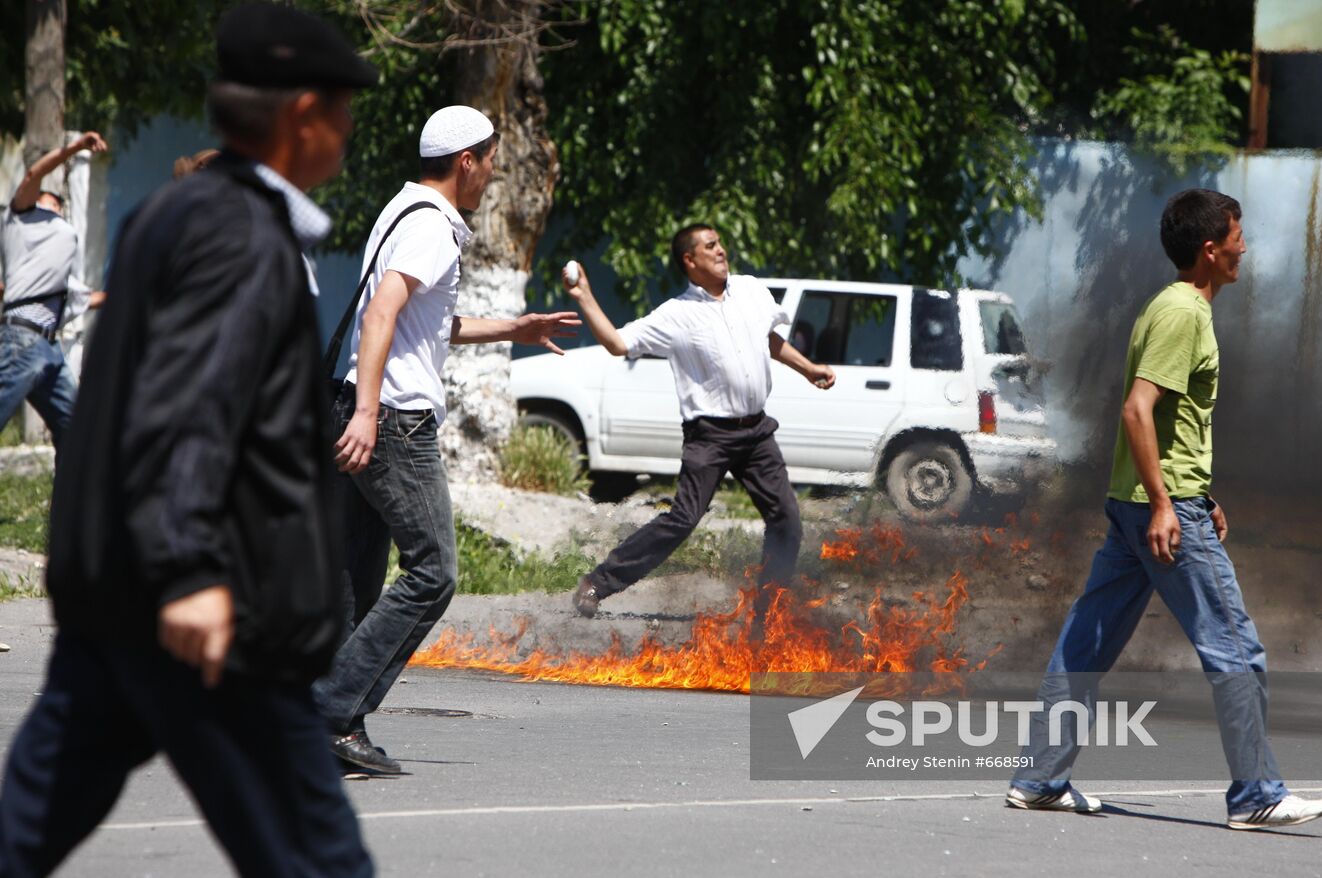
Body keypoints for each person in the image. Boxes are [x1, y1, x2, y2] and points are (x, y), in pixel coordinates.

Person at [0, 6, 380, 875]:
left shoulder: (175, 214)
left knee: (26, 833)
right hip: (214, 616)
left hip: (117, 601)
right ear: (303, 115)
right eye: (343, 110)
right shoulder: (239, 234)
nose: (349, 130)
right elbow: (186, 408)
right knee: (319, 858)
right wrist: (189, 576)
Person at [1006, 189, 1322, 831]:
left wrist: (1193, 493)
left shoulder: (1167, 305)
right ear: (1210, 250)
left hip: (1143, 503)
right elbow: (1137, 410)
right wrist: (1168, 502)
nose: (1245, 248)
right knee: (1236, 648)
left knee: (1086, 643)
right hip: (1161, 511)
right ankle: (1257, 794)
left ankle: (1041, 779)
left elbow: (1170, 423)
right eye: (1238, 237)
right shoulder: (1185, 314)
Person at [314, 105, 579, 774]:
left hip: (364, 407)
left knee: (356, 581)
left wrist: (514, 329)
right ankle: (328, 710)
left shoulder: (403, 211)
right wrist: (369, 413)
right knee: (434, 572)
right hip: (393, 419)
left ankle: (335, 726)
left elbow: (426, 324)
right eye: (490, 161)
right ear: (467, 161)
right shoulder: (431, 225)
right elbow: (381, 313)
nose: (492, 174)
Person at [564, 225, 835, 631]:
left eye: (720, 243)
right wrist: (584, 296)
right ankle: (597, 583)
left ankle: (769, 615)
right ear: (690, 260)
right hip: (710, 436)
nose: (721, 250)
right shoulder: (677, 315)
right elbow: (618, 344)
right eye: (711, 246)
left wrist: (808, 368)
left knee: (787, 521)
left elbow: (768, 340)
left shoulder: (751, 290)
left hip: (757, 433)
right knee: (683, 519)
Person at [0, 131, 108, 449]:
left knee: (77, 435)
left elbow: (90, 298)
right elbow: (35, 173)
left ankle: (70, 486)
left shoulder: (57, 274)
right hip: (22, 339)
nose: (53, 207)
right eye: (46, 201)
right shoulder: (21, 218)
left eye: (57, 205)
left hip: (50, 348)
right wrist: (75, 148)